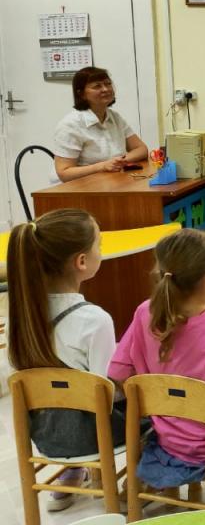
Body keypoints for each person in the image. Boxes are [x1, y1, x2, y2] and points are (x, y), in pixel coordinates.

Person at [108, 229, 205, 488]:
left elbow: (118, 373)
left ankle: (153, 475)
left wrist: (163, 409)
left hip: (168, 439)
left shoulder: (145, 313)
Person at [6, 208, 122, 512]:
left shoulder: (21, 318)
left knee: (66, 394)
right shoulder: (95, 320)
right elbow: (107, 395)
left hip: (47, 437)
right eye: (99, 245)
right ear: (81, 262)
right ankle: (139, 479)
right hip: (92, 438)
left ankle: (72, 470)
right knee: (146, 401)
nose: (101, 251)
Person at [53, 66, 148, 182]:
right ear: (81, 94)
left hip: (111, 182)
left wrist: (120, 161)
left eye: (108, 84)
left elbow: (141, 149)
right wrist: (102, 166)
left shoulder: (114, 117)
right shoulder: (70, 124)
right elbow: (64, 173)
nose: (105, 89)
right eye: (97, 86)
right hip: (80, 187)